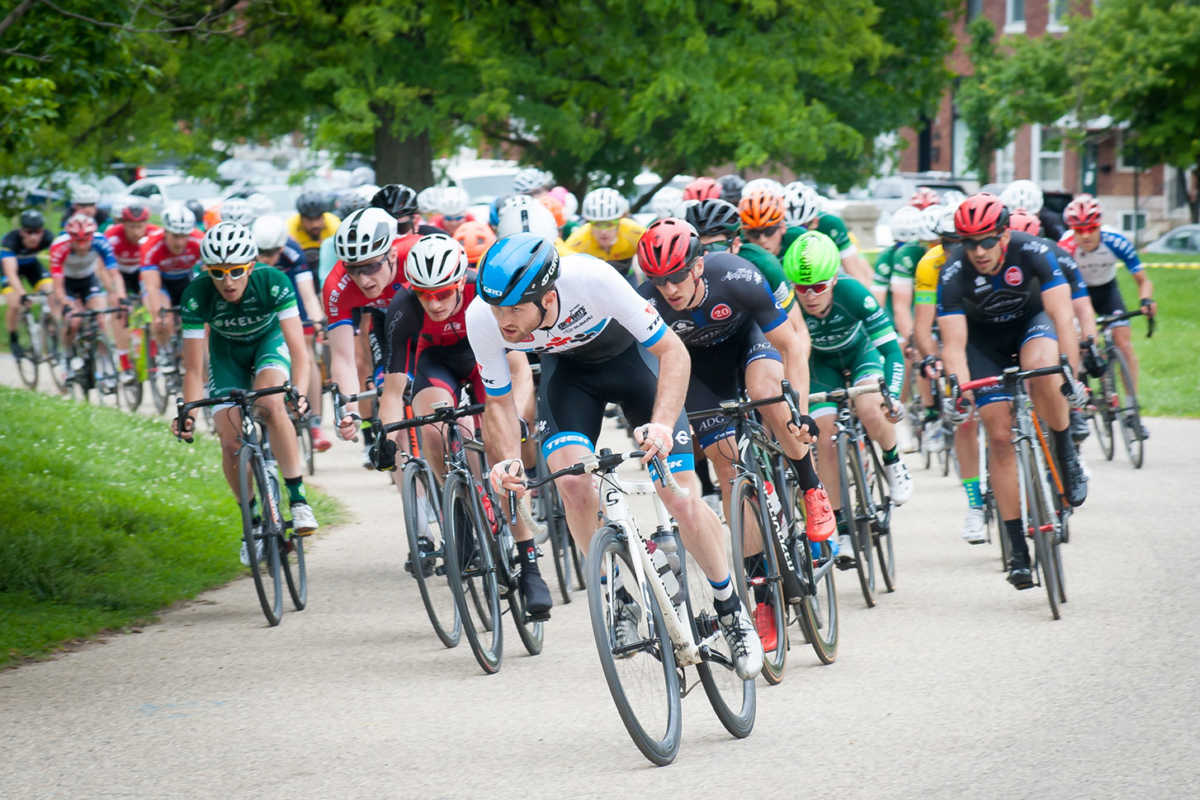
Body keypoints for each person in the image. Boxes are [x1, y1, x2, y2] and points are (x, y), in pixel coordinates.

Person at [469, 233, 764, 679]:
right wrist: (508, 459)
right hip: (567, 381)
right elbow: (498, 402)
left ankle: (730, 607)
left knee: (679, 495)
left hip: (634, 367)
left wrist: (663, 424)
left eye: (514, 310)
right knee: (571, 482)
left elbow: (672, 352)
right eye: (496, 309)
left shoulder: (594, 279)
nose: (503, 322)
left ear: (548, 296)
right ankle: (619, 595)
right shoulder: (483, 317)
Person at [636, 219, 833, 651]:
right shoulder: (646, 301)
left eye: (676, 277)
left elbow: (793, 345)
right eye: (658, 280)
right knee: (727, 465)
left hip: (749, 345)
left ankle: (810, 486)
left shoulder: (736, 275)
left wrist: (800, 411)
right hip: (700, 372)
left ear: (698, 265)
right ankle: (762, 599)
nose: (668, 289)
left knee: (768, 396)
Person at [937, 193, 1087, 590]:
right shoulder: (953, 273)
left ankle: (1064, 446)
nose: (979, 251)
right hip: (982, 343)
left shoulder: (1034, 250)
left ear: (1004, 235)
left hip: (1031, 326)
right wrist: (958, 387)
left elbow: (1062, 314)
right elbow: (953, 345)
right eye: (970, 243)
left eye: (987, 240)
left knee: (1044, 370)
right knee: (999, 436)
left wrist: (1072, 371)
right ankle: (1017, 548)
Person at [171, 222, 317, 565]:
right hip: (227, 356)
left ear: (250, 265)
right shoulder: (196, 294)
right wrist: (188, 414)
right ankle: (251, 522)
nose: (228, 281)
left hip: (269, 345)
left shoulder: (273, 282)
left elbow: (299, 351)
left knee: (269, 401)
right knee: (230, 438)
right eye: (218, 273)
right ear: (208, 270)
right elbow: (193, 369)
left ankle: (298, 499)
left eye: (236, 271)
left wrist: (298, 391)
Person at [782, 231, 913, 566]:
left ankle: (893, 460)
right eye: (801, 288)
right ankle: (841, 528)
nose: (810, 296)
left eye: (818, 287)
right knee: (823, 436)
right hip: (819, 365)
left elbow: (891, 351)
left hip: (860, 356)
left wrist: (893, 396)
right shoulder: (789, 304)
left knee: (871, 408)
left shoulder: (853, 292)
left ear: (835, 279)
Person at [1057, 196, 1155, 439]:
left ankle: (1131, 410)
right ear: (1072, 231)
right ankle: (1079, 401)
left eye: (1091, 229)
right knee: (1077, 342)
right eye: (1079, 230)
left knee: (1124, 343)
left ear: (1100, 226)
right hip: (1078, 294)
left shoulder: (1116, 241)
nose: (1086, 236)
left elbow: (1143, 280)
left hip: (1107, 291)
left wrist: (1145, 301)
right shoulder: (1065, 246)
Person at [254, 215, 332, 453]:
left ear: (281, 247)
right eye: (261, 253)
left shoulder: (292, 252)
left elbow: (307, 294)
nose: (266, 258)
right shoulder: (247, 253)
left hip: (290, 301)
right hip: (261, 303)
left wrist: (317, 320)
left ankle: (315, 422)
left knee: (306, 354)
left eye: (271, 253)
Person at [50, 214, 130, 367]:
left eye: (85, 240)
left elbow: (114, 274)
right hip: (66, 282)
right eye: (77, 240)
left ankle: (106, 359)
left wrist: (121, 296)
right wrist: (66, 303)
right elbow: (58, 287)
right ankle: (66, 356)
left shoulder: (100, 241)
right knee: (73, 321)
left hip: (88, 279)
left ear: (92, 236)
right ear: (70, 237)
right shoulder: (59, 247)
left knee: (100, 317)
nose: (81, 246)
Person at [780, 184, 874, 286]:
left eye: (802, 227)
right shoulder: (775, 233)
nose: (796, 233)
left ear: (815, 221)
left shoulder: (830, 224)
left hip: (838, 254)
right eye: (790, 230)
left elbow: (854, 272)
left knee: (864, 273)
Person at [141, 204, 202, 348]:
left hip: (184, 279)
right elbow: (152, 286)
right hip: (160, 282)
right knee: (164, 319)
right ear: (166, 232)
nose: (180, 242)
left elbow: (209, 274)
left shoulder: (199, 240)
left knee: (199, 318)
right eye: (175, 236)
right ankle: (164, 352)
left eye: (184, 236)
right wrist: (157, 315)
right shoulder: (151, 245)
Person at [563, 188, 644, 284]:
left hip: (626, 276)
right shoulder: (578, 240)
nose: (603, 231)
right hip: (595, 280)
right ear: (588, 222)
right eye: (597, 224)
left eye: (609, 224)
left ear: (620, 221)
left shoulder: (633, 232)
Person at [2, 210, 54, 352]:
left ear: (42, 230)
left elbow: (58, 262)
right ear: (21, 232)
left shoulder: (48, 237)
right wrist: (22, 293)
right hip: (9, 268)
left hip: (31, 265)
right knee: (15, 304)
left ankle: (51, 328)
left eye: (37, 231)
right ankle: (14, 338)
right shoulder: (10, 241)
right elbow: (11, 273)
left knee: (50, 292)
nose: (33, 236)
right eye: (29, 232)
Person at [105, 203, 160, 297]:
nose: (136, 232)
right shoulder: (111, 236)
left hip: (141, 270)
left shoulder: (155, 233)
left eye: (139, 226)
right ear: (124, 224)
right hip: (118, 271)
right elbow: (104, 265)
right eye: (132, 227)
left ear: (146, 224)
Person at [287, 191, 340, 270]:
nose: (315, 225)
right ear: (300, 218)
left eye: (318, 218)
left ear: (324, 216)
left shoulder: (335, 225)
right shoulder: (290, 228)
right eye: (309, 220)